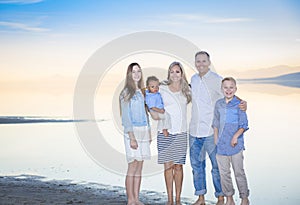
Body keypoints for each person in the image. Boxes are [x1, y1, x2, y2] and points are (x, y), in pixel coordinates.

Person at [189, 51, 247, 205]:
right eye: (198, 61)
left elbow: (230, 93)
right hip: (194, 130)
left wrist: (243, 103)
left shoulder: (216, 79)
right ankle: (200, 197)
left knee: (216, 167)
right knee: (196, 166)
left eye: (203, 61)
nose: (200, 64)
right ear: (195, 63)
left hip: (211, 130)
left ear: (209, 62)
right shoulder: (193, 79)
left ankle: (220, 197)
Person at [157, 62, 192, 205]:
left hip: (181, 133)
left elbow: (205, 99)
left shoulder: (187, 90)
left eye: (177, 71)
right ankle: (170, 200)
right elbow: (147, 99)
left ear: (182, 73)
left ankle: (178, 199)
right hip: (165, 133)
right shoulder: (162, 89)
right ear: (168, 74)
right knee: (168, 167)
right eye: (172, 72)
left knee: (178, 166)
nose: (175, 74)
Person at [213, 77, 250, 205]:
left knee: (239, 172)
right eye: (225, 87)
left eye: (231, 87)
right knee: (224, 174)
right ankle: (229, 197)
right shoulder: (218, 104)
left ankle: (244, 197)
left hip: (236, 145)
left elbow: (244, 124)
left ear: (235, 89)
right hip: (221, 145)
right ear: (222, 89)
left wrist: (235, 136)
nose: (228, 90)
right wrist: (216, 138)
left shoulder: (239, 104)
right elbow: (216, 122)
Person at [119, 62, 151, 205]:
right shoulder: (126, 93)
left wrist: (149, 131)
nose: (136, 74)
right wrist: (132, 137)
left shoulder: (143, 92)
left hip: (144, 130)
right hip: (132, 132)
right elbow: (126, 118)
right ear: (129, 74)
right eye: (133, 71)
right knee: (132, 165)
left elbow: (146, 113)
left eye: (138, 71)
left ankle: (136, 199)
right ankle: (130, 200)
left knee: (140, 166)